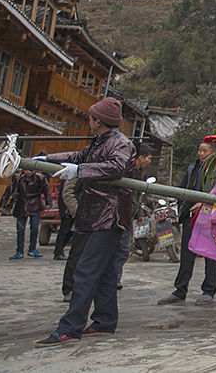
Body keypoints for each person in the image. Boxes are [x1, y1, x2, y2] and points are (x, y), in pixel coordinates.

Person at [34, 97, 135, 347]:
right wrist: (48, 159)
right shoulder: (100, 142)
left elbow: (116, 168)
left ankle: (70, 327)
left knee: (86, 271)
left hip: (108, 216)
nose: (89, 121)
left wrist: (79, 171)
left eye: (90, 117)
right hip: (95, 214)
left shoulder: (121, 144)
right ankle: (104, 321)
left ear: (97, 121)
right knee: (107, 273)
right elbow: (79, 155)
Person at [157, 142, 216, 307]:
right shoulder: (192, 168)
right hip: (190, 217)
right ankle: (180, 290)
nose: (200, 153)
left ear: (214, 152)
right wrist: (181, 211)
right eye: (199, 150)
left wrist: (204, 204)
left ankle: (209, 290)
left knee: (210, 255)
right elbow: (183, 190)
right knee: (186, 255)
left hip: (209, 218)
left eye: (205, 150)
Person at [115, 146, 152, 290]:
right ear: (140, 157)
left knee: (123, 249)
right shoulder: (127, 171)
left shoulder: (139, 173)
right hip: (120, 215)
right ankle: (113, 277)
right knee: (120, 249)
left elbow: (137, 195)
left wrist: (139, 213)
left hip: (129, 215)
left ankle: (115, 277)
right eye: (148, 158)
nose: (149, 161)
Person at [0, 168, 50, 259]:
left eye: (30, 170)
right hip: (21, 206)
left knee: (34, 229)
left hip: (35, 205)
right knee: (20, 230)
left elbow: (46, 189)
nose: (28, 172)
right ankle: (19, 251)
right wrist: (2, 205)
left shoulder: (40, 178)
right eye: (26, 170)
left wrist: (48, 202)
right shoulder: (18, 179)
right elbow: (8, 191)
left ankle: (32, 249)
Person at [52, 175, 79, 261]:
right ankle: (58, 251)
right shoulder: (69, 180)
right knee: (64, 231)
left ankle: (59, 250)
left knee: (69, 231)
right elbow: (67, 195)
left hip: (68, 209)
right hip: (68, 210)